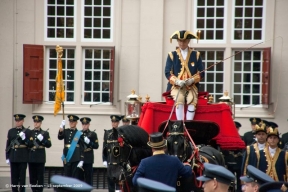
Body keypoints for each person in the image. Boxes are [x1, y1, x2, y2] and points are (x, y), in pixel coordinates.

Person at [164, 30, 204, 120]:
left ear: (188, 41)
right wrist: (177, 81)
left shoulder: (196, 55)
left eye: (184, 41)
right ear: (177, 41)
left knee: (192, 101)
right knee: (179, 100)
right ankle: (180, 124)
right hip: (177, 86)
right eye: (180, 41)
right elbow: (167, 72)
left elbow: (202, 72)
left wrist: (192, 80)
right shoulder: (172, 55)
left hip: (191, 86)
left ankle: (189, 124)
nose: (182, 43)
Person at [6, 114, 31, 192]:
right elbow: (8, 145)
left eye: (19, 121)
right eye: (16, 121)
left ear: (23, 121)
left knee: (22, 177)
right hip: (13, 156)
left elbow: (30, 144)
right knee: (14, 177)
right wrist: (7, 157)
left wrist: (24, 139)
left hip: (23, 156)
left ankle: (22, 190)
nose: (17, 122)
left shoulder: (27, 131)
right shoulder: (11, 131)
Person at [27, 115, 52, 192]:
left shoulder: (45, 133)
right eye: (35, 122)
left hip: (40, 157)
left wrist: (43, 140)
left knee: (40, 176)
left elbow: (49, 144)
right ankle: (34, 190)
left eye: (38, 122)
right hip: (31, 157)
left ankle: (40, 190)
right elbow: (28, 144)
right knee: (32, 176)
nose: (36, 124)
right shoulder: (30, 132)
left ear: (41, 123)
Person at [58, 115, 84, 179]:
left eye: (73, 122)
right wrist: (61, 129)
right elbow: (60, 137)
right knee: (67, 175)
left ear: (76, 123)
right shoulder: (66, 131)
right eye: (70, 122)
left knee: (75, 176)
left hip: (76, 156)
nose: (71, 123)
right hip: (67, 156)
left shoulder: (79, 133)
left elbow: (82, 147)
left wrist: (81, 159)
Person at [102, 115, 122, 192]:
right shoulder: (107, 133)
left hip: (118, 162)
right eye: (113, 122)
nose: (114, 124)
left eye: (115, 122)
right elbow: (105, 147)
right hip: (110, 161)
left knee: (118, 182)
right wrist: (104, 159)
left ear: (118, 122)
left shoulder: (121, 133)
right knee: (110, 182)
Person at [79, 117, 99, 185]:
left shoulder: (93, 134)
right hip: (79, 157)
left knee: (88, 178)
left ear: (89, 125)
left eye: (86, 124)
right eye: (83, 124)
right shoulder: (78, 133)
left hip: (88, 157)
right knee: (79, 178)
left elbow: (96, 146)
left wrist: (89, 142)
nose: (84, 126)